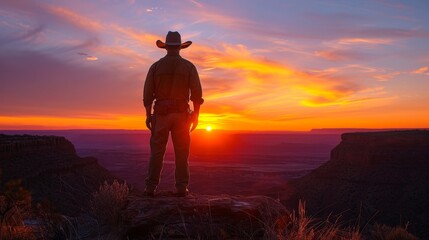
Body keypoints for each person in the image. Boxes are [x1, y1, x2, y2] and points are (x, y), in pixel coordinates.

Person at [142, 31, 203, 197]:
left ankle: (150, 187)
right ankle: (182, 188)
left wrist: (148, 115)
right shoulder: (189, 67)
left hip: (161, 115)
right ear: (180, 48)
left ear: (166, 47)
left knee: (157, 152)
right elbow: (197, 94)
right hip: (182, 116)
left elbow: (148, 94)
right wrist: (196, 115)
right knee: (182, 152)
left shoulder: (155, 67)